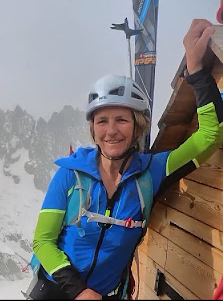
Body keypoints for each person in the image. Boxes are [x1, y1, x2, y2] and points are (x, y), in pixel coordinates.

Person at [28, 19, 223, 300]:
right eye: (102, 121)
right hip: (55, 291)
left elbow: (209, 135)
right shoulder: (70, 174)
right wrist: (80, 291)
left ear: (137, 126)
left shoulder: (152, 172)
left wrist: (195, 69)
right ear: (93, 128)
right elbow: (43, 242)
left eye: (121, 119)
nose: (111, 131)